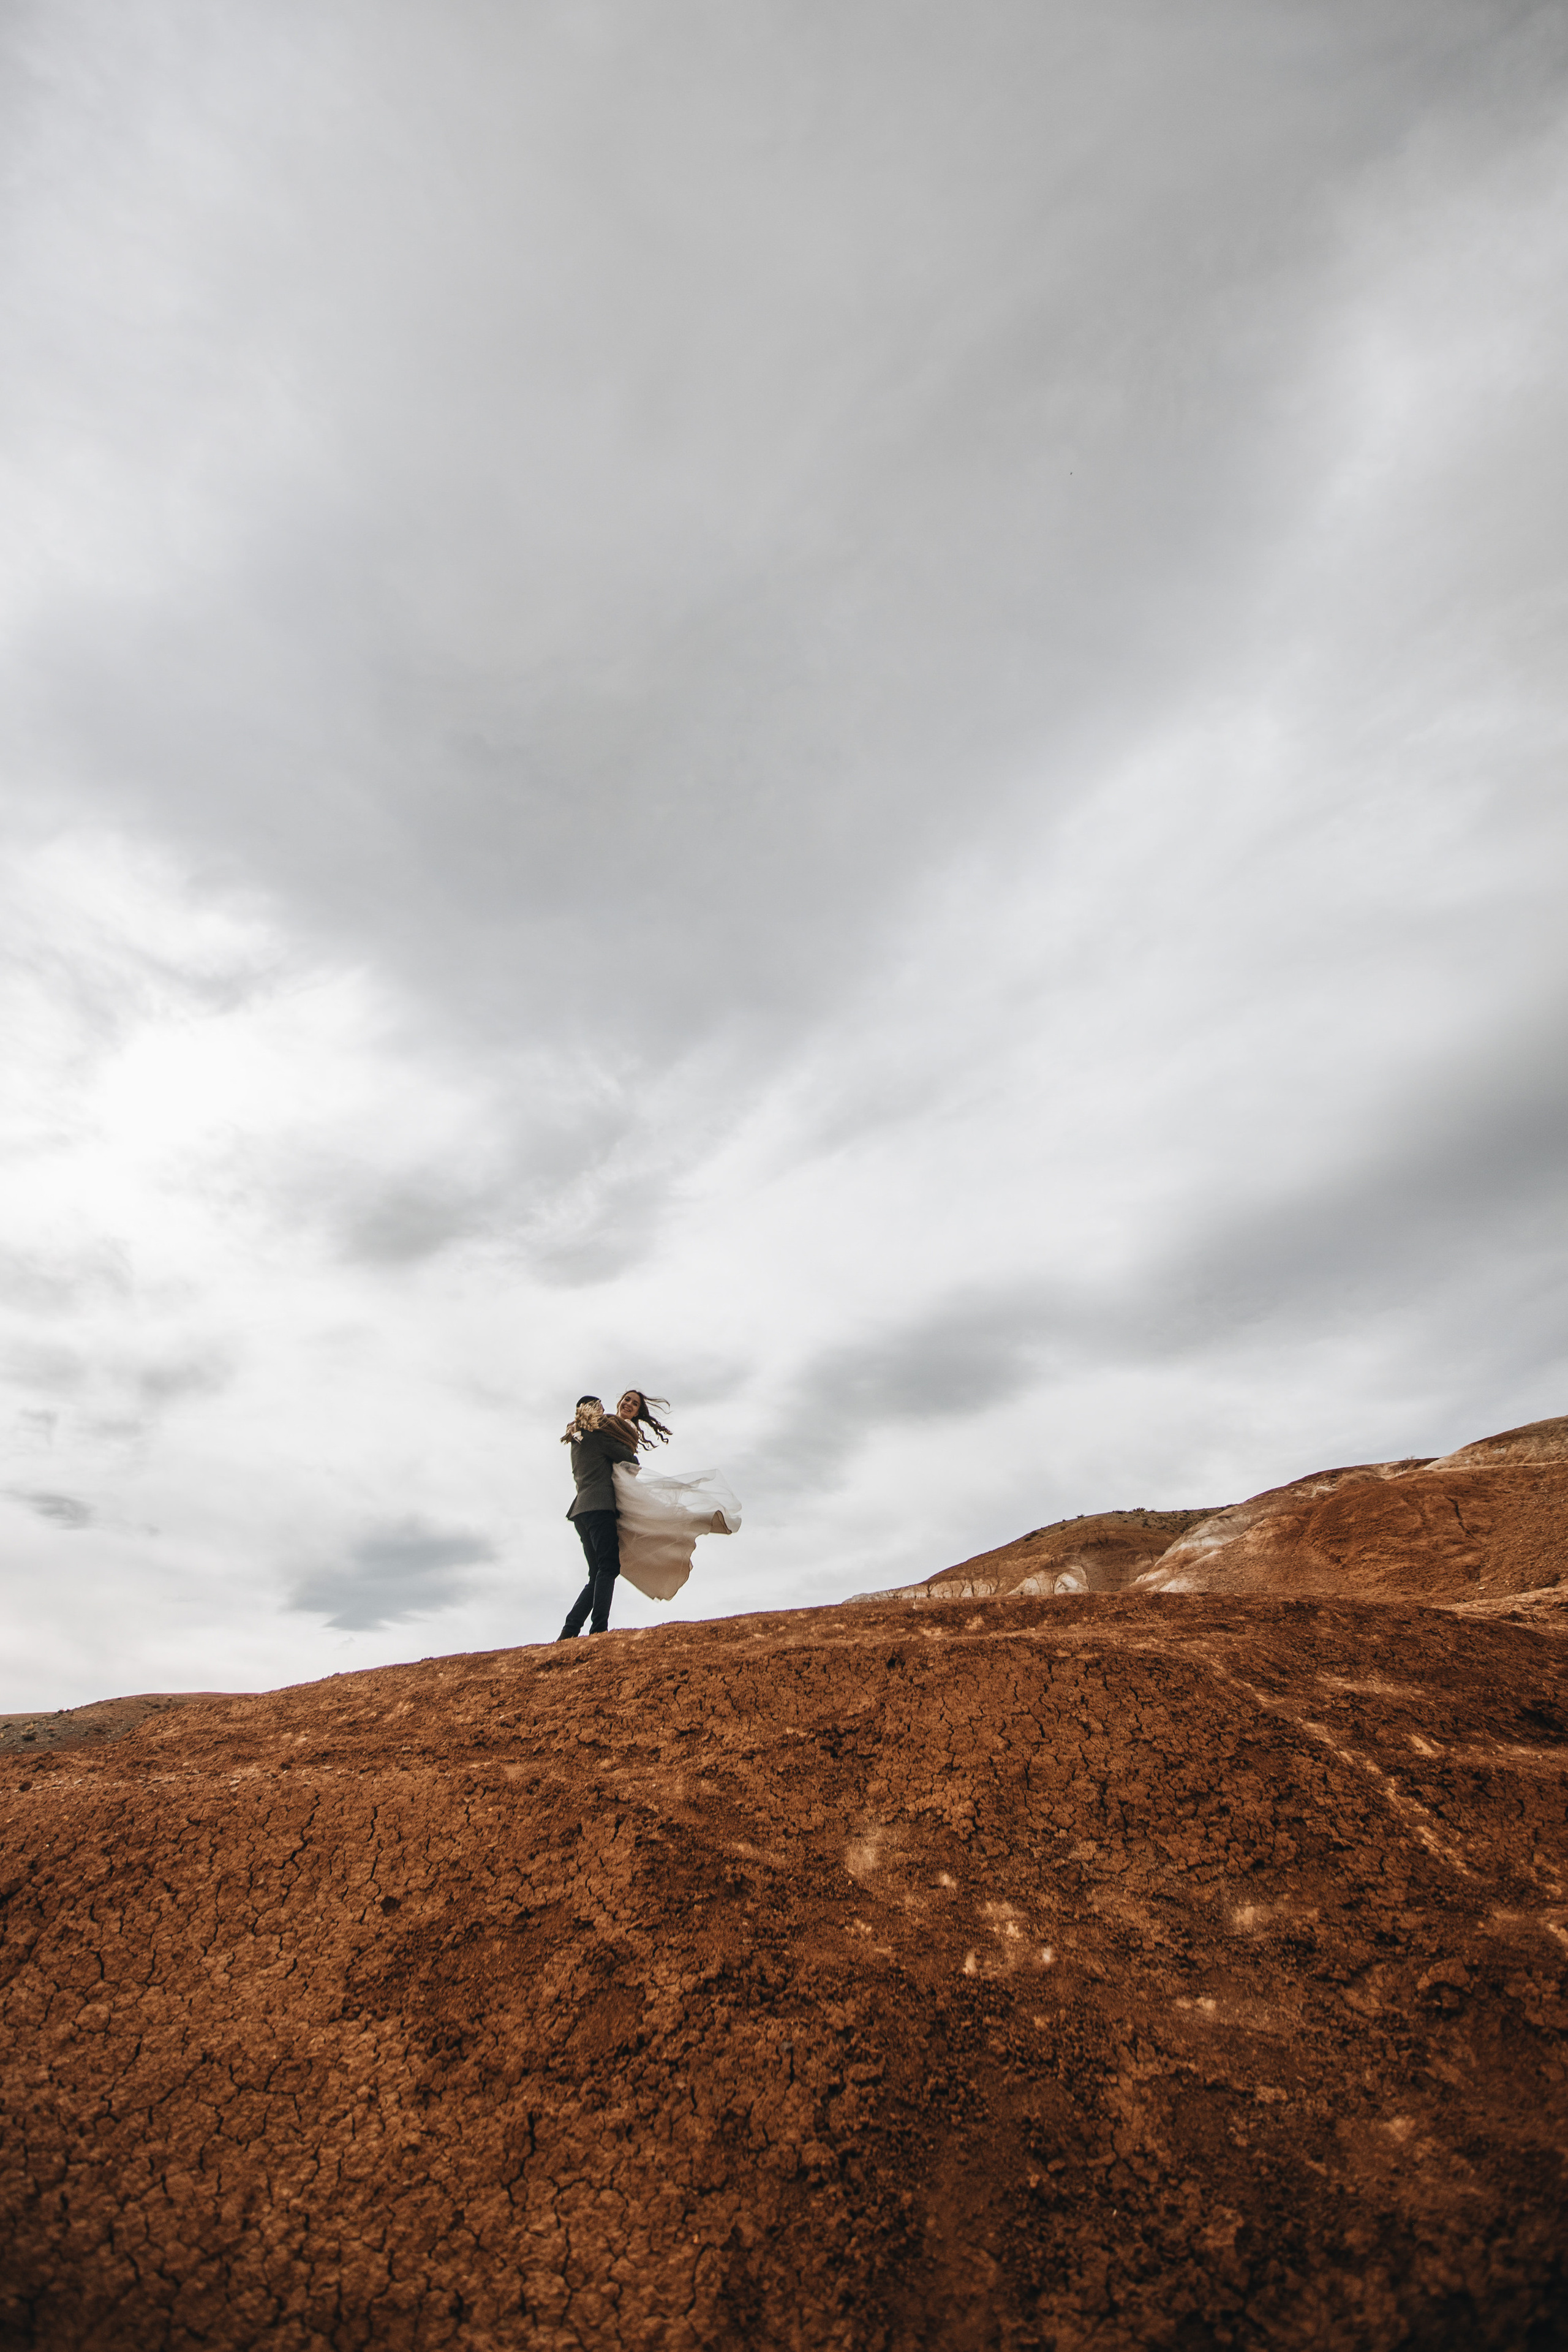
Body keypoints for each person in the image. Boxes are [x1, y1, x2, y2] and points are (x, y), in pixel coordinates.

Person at [557, 1396, 639, 1638]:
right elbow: (630, 1459)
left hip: (581, 1512)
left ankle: (570, 1630)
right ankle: (599, 1630)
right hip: (600, 1508)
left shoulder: (576, 1438)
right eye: (601, 1408)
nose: (604, 1412)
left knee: (596, 1573)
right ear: (594, 1410)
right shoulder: (598, 1436)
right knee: (609, 1567)